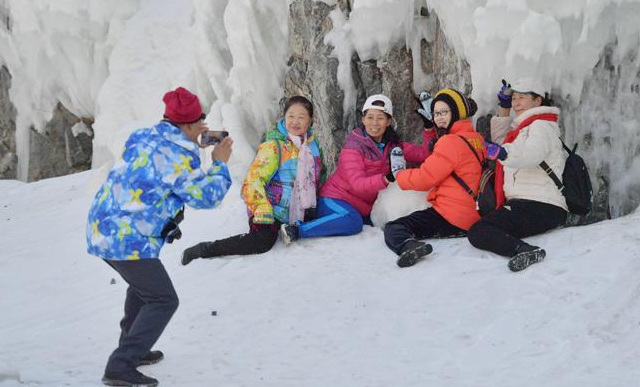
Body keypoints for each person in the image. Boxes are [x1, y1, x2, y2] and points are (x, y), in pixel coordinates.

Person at [87, 87, 233, 387]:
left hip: (103, 228)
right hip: (127, 239)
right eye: (198, 122)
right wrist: (218, 162)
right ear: (191, 124)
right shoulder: (179, 156)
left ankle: (135, 348)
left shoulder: (143, 136)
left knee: (143, 289)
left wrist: (191, 140)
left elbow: (159, 160)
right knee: (163, 299)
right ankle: (120, 366)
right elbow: (206, 197)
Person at [181, 95, 323, 263]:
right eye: (291, 116)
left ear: (310, 121)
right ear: (284, 118)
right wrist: (263, 211)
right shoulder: (274, 146)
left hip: (295, 210)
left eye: (301, 117)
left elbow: (316, 179)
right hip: (269, 208)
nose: (295, 121)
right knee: (261, 243)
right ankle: (206, 249)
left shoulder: (312, 147)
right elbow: (252, 182)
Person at [277, 94, 436, 244]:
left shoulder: (393, 145)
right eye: (370, 117)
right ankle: (296, 230)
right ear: (363, 119)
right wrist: (387, 178)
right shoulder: (354, 146)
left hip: (362, 207)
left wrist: (430, 129)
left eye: (380, 118)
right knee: (352, 221)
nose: (375, 123)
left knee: (362, 218)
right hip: (335, 198)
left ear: (388, 122)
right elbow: (357, 185)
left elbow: (425, 155)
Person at [467, 78, 568, 272]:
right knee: (481, 227)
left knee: (479, 231)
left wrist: (503, 153)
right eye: (513, 98)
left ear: (538, 101)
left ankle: (525, 250)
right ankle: (522, 248)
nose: (516, 103)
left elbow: (531, 156)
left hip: (542, 204)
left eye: (522, 97)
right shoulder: (523, 129)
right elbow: (503, 141)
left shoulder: (541, 126)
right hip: (528, 203)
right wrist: (504, 109)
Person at [384, 88, 484, 267]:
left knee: (394, 228)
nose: (439, 117)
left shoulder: (450, 142)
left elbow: (425, 178)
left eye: (444, 112)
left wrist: (400, 175)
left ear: (457, 113)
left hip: (453, 216)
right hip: (473, 212)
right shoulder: (476, 139)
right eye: (436, 113)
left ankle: (408, 246)